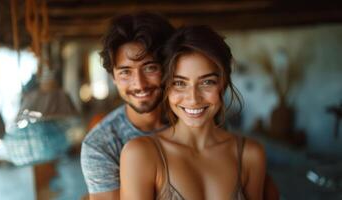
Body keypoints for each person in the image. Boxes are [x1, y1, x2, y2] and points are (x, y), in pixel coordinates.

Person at [120, 25, 267, 200]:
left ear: (224, 82)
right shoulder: (141, 154)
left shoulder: (250, 155)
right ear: (166, 87)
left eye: (207, 82)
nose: (193, 99)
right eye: (180, 83)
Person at [80, 12, 175, 200]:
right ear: (113, 78)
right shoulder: (101, 144)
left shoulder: (196, 121)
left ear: (168, 67)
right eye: (125, 72)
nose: (139, 84)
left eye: (150, 68)